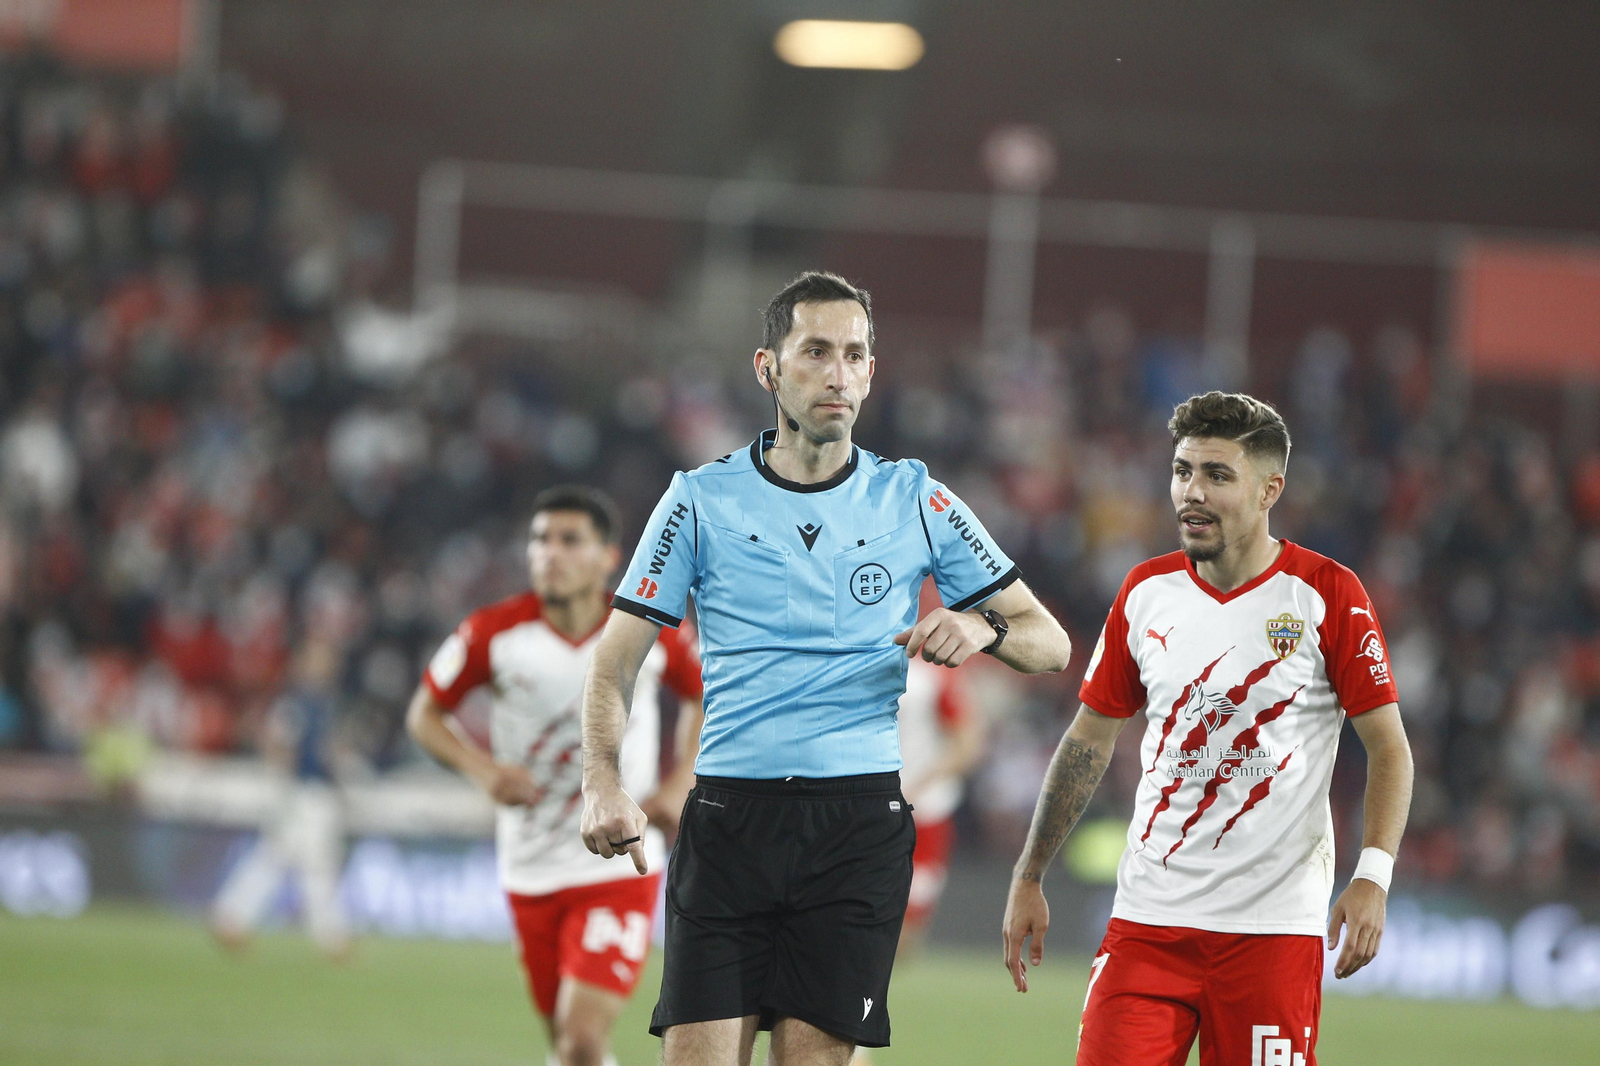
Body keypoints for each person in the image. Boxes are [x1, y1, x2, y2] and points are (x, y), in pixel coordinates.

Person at [580, 271, 1073, 1066]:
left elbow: (1049, 640)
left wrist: (979, 625)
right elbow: (615, 661)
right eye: (815, 351)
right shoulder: (699, 500)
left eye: (854, 355)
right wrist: (602, 779)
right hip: (729, 822)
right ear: (767, 368)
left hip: (855, 829)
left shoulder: (915, 499)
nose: (838, 372)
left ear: (872, 372)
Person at [1002, 391, 1415, 1066]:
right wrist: (1030, 872)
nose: (1192, 492)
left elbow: (1389, 749)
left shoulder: (1326, 594)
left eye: (1218, 475)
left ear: (1268, 490)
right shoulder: (1145, 593)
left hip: (1271, 934)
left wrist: (1373, 876)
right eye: (1183, 471)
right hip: (1147, 925)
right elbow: (1087, 740)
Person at [407, 486, 704, 1066]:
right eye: (540, 539)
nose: (550, 553)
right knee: (569, 1050)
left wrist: (679, 781)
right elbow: (424, 714)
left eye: (570, 541)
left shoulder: (645, 628)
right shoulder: (493, 632)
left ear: (607, 557)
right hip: (530, 866)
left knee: (581, 1036)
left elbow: (705, 698)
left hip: (618, 867)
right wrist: (484, 770)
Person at [896, 649, 986, 956]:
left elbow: (967, 745)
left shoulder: (931, 675)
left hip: (920, 811)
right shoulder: (936, 675)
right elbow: (968, 745)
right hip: (920, 810)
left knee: (905, 924)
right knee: (905, 927)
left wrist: (916, 784)